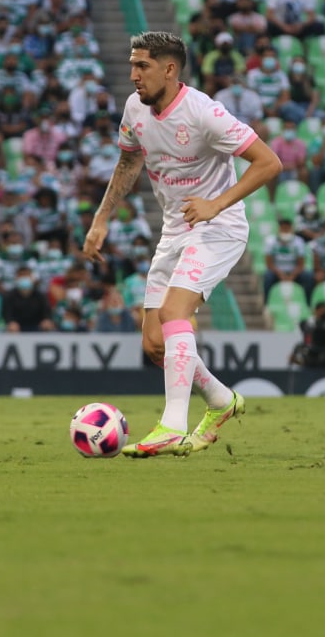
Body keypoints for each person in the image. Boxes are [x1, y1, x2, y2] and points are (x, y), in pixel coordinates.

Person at [82, 32, 281, 457]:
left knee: (176, 314)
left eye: (142, 66)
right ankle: (221, 400)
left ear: (169, 70)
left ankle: (172, 425)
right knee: (155, 343)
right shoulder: (135, 107)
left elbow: (269, 162)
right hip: (176, 228)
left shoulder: (205, 113)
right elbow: (129, 160)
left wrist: (216, 204)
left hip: (219, 225)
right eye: (132, 65)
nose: (133, 75)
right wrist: (101, 220)